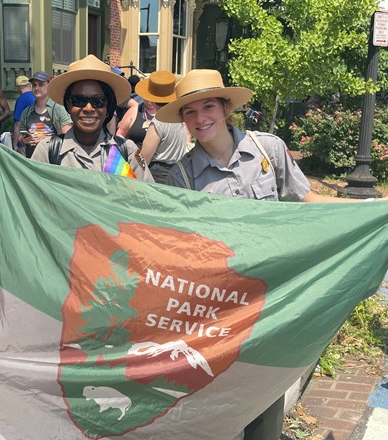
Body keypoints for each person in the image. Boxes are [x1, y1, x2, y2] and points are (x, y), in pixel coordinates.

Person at [158, 68, 385, 440]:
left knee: (264, 396)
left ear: (227, 107)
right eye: (190, 112)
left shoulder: (268, 148)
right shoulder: (181, 176)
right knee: (214, 399)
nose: (201, 119)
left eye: (209, 107)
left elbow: (308, 201)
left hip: (272, 302)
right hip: (220, 304)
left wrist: (371, 210)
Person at [30, 55, 153, 182]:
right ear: (68, 105)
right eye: (79, 100)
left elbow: (148, 196)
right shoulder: (48, 151)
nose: (88, 108)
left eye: (98, 101)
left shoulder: (126, 151)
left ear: (108, 107)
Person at [134, 71, 190, 183]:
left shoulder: (158, 122)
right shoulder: (181, 119)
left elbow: (144, 159)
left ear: (153, 100)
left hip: (158, 175)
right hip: (178, 172)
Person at [17, 71, 72, 158]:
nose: (36, 88)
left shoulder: (59, 109)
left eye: (41, 84)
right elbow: (20, 137)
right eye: (34, 85)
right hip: (30, 161)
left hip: (51, 162)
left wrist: (47, 141)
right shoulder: (26, 112)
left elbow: (68, 136)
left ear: (49, 85)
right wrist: (22, 140)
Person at [12, 75, 35, 151]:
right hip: (37, 137)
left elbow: (18, 123)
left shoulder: (21, 99)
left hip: (25, 140)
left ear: (18, 88)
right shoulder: (36, 96)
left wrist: (15, 144)